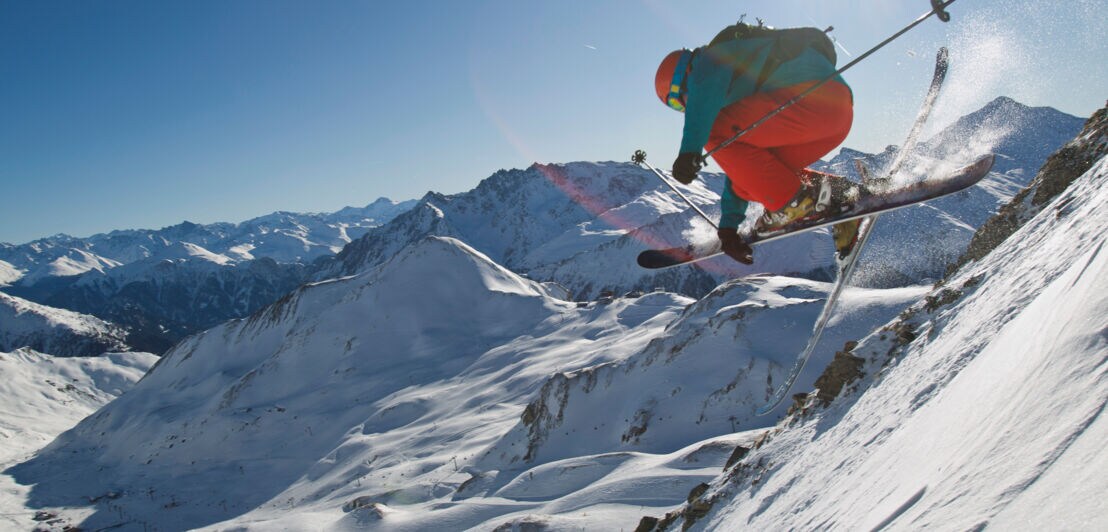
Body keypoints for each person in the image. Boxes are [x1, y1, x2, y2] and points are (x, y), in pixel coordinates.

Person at [655, 20, 862, 265]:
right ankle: (838, 194)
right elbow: (743, 168)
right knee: (749, 182)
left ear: (683, 79)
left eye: (678, 103)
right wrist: (728, 228)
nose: (683, 109)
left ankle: (792, 203)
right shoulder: (743, 80)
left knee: (715, 129)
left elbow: (703, 98)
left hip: (809, 101)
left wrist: (689, 150)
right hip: (835, 115)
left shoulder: (708, 61)